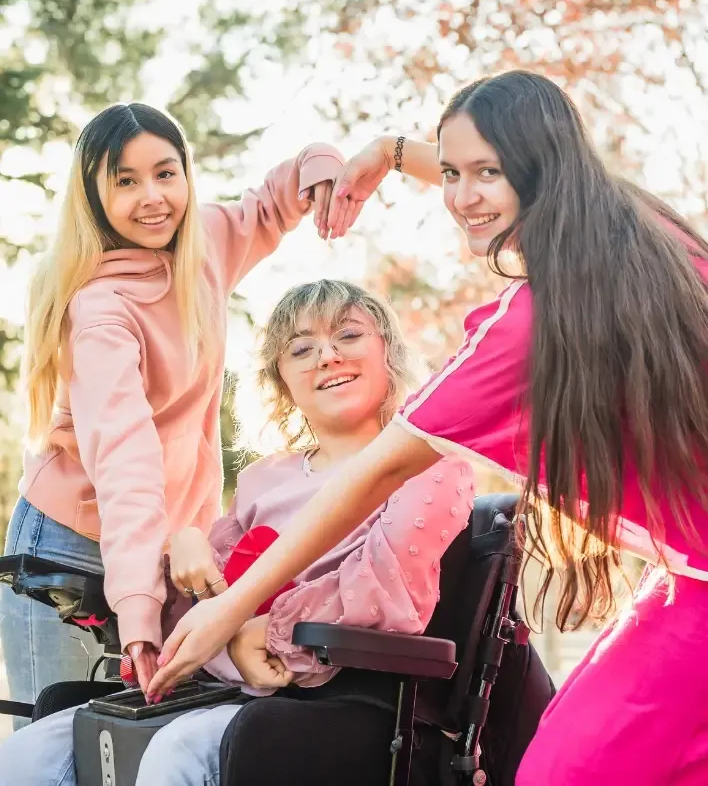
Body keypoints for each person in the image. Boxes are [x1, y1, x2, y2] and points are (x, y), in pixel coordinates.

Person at [148, 70, 708, 785]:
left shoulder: (525, 330)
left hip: (701, 585)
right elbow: (489, 171)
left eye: (486, 173)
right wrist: (389, 152)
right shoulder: (641, 231)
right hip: (688, 574)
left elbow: (378, 471)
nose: (460, 196)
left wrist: (230, 608)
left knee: (564, 773)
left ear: (541, 167)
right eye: (448, 173)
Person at [0, 278, 475, 786]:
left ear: (389, 352)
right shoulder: (263, 480)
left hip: (344, 697)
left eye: (349, 336)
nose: (328, 357)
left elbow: (385, 591)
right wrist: (183, 547)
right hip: (228, 686)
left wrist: (266, 632)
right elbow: (204, 600)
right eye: (302, 349)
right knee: (29, 751)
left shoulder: (430, 466)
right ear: (281, 381)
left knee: (177, 752)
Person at [0, 101, 359, 723]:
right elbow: (125, 458)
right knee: (57, 739)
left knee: (144, 740)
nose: (153, 197)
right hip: (70, 547)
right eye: (126, 181)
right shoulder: (100, 311)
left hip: (168, 548)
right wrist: (138, 607)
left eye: (166, 173)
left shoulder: (203, 248)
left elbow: (270, 205)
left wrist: (320, 170)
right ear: (93, 196)